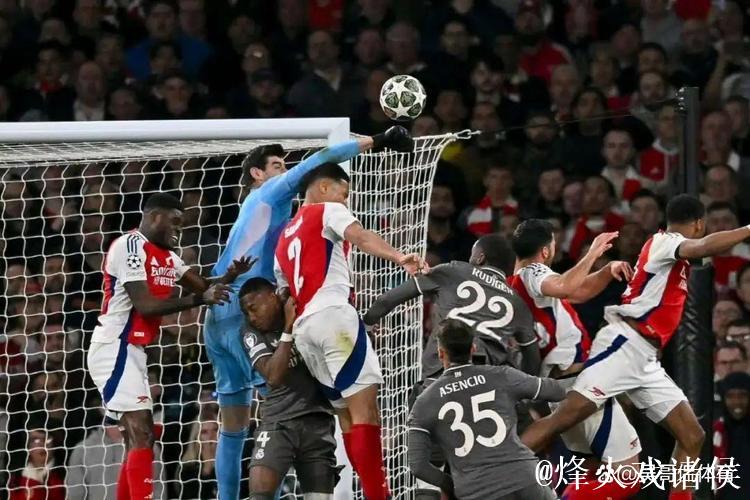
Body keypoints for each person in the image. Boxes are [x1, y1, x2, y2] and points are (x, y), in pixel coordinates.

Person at [205, 126, 413, 500]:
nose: (285, 171)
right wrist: (378, 141)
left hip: (218, 315)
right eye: (277, 165)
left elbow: (282, 282)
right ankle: (327, 484)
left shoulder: (270, 223)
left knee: (233, 424)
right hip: (259, 312)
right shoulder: (276, 194)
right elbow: (320, 161)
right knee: (288, 405)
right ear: (257, 173)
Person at [521, 194, 750, 500]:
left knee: (692, 435)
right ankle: (495, 469)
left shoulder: (671, 254)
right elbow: (704, 246)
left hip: (645, 357)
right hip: (624, 343)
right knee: (565, 416)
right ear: (699, 224)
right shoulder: (665, 241)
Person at [274, 162, 426, 500]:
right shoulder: (327, 210)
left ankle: (372, 492)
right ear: (323, 187)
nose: (345, 202)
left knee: (346, 416)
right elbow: (360, 235)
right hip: (334, 318)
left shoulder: (283, 238)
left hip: (304, 331)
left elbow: (284, 293)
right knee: (365, 413)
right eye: (344, 194)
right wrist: (399, 256)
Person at [86, 193, 248, 500]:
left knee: (137, 437)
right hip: (114, 347)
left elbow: (203, 285)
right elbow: (146, 306)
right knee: (142, 431)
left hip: (133, 351)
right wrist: (200, 299)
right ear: (153, 216)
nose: (178, 229)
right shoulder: (130, 246)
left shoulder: (168, 257)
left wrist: (229, 276)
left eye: (181, 224)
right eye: (174, 221)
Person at [509, 219, 642, 499]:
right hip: (579, 384)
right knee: (628, 476)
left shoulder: (518, 286)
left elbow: (577, 291)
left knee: (592, 474)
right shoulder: (533, 272)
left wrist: (606, 271)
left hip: (562, 386)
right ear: (545, 251)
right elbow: (565, 286)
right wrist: (593, 253)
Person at [407, 319, 563, 500]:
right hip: (526, 478)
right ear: (473, 349)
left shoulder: (424, 400)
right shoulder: (502, 375)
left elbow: (417, 466)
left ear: (441, 353)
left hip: (477, 490)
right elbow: (556, 391)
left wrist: (451, 484)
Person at [364, 233, 540, 382]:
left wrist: (366, 327)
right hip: (485, 387)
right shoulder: (519, 304)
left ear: (480, 258)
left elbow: (386, 300)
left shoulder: (453, 270)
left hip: (439, 376)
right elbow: (532, 360)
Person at [239, 277, 338, 499]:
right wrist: (288, 329)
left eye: (253, 309)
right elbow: (273, 376)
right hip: (279, 422)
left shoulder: (307, 311)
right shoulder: (249, 332)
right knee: (259, 496)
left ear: (273, 296)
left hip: (318, 421)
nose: (251, 317)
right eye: (247, 313)